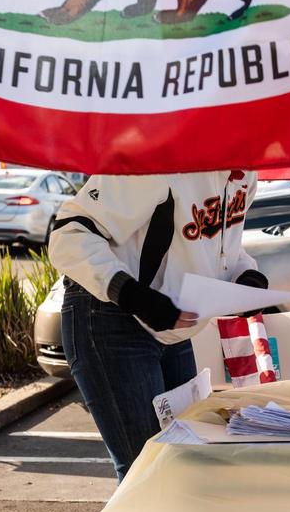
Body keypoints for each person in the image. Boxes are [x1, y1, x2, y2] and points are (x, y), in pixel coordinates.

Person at [49, 169, 267, 483]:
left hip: (172, 324)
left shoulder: (245, 174)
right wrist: (132, 294)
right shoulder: (161, 164)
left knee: (186, 461)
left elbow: (218, 245)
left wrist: (245, 275)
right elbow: (68, 234)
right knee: (148, 473)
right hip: (110, 317)